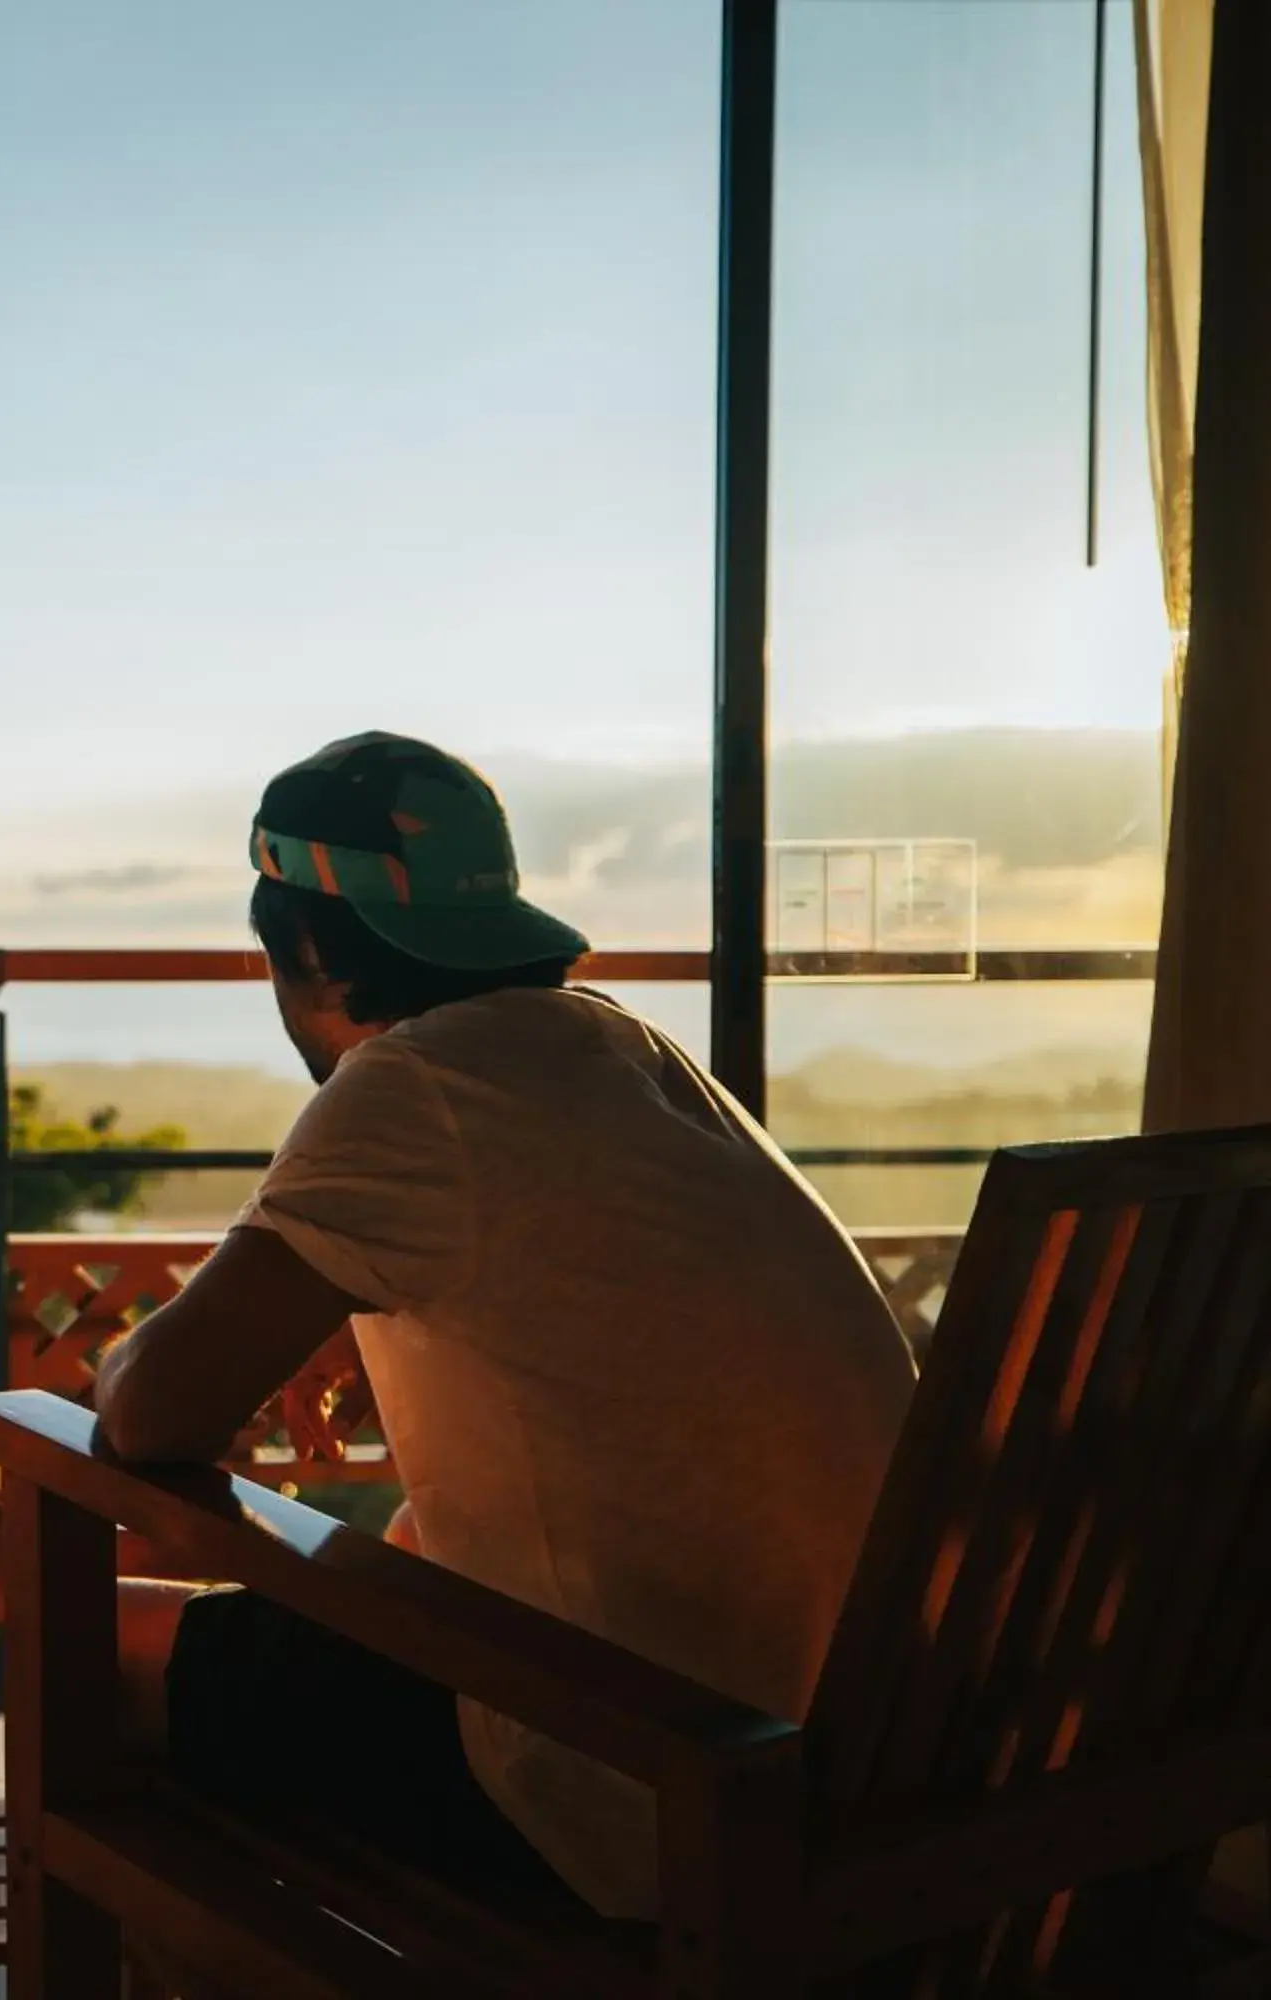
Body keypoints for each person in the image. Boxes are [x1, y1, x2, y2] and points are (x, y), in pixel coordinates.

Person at [92, 731, 916, 1920]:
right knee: (289, 1630)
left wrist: (128, 1360)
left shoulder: (412, 1085)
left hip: (634, 1776)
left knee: (94, 1645)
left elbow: (154, 1412)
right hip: (840, 1749)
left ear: (310, 947)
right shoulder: (623, 1047)